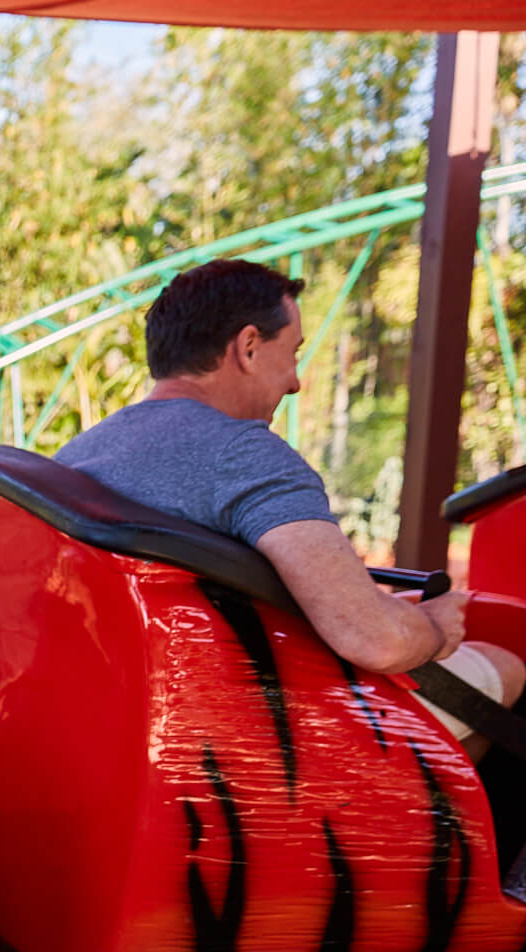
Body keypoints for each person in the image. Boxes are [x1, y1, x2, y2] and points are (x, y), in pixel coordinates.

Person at [57, 258, 525, 760]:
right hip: (248, 729)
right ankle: (410, 835)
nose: (297, 382)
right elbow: (376, 641)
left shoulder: (75, 457)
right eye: (293, 353)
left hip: (127, 710)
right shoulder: (245, 453)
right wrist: (435, 630)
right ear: (249, 347)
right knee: (505, 665)